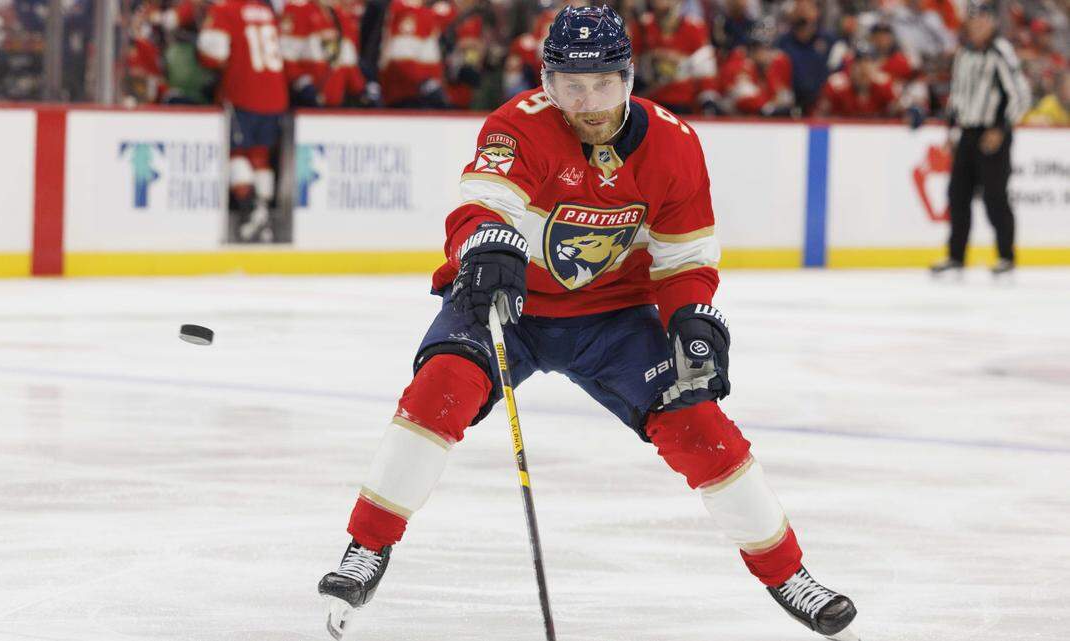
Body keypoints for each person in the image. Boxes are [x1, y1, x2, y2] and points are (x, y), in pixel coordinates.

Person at [316, 6, 859, 641]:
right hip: (509, 304)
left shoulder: (674, 144)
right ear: (547, 81)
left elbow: (684, 260)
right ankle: (367, 546)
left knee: (697, 423)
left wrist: (692, 317)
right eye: (571, 85)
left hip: (613, 317)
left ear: (628, 77)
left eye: (603, 83)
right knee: (441, 389)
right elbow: (482, 204)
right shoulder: (518, 124)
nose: (588, 102)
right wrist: (486, 241)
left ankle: (787, 573)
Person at [930, 2, 1031, 277]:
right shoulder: (963, 53)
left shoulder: (1000, 51)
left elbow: (1020, 94)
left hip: (992, 134)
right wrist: (951, 130)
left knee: (995, 196)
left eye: (982, 20)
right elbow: (957, 95)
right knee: (957, 194)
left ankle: (1006, 256)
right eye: (973, 20)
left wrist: (1001, 128)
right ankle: (956, 255)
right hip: (967, 132)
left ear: (991, 23)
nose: (976, 25)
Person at [198, 0, 289, 242]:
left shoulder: (226, 9)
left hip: (243, 92)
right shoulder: (265, 10)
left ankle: (250, 210)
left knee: (236, 154)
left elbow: (213, 55)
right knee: (260, 156)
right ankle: (264, 212)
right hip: (275, 94)